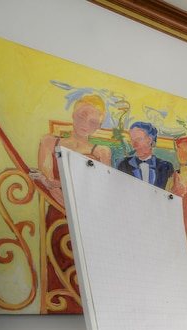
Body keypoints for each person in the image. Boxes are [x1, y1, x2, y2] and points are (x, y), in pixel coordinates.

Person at [31, 93, 112, 313]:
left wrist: (58, 185)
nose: (86, 124)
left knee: (85, 274)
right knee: (57, 268)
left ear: (98, 126)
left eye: (93, 122)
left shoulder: (101, 152)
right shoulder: (50, 142)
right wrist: (72, 205)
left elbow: (99, 192)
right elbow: (49, 186)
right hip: (59, 217)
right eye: (82, 116)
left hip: (88, 221)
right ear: (74, 114)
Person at [116, 121, 174, 189]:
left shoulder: (166, 167)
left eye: (138, 140)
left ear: (149, 140)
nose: (134, 146)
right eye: (132, 141)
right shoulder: (123, 165)